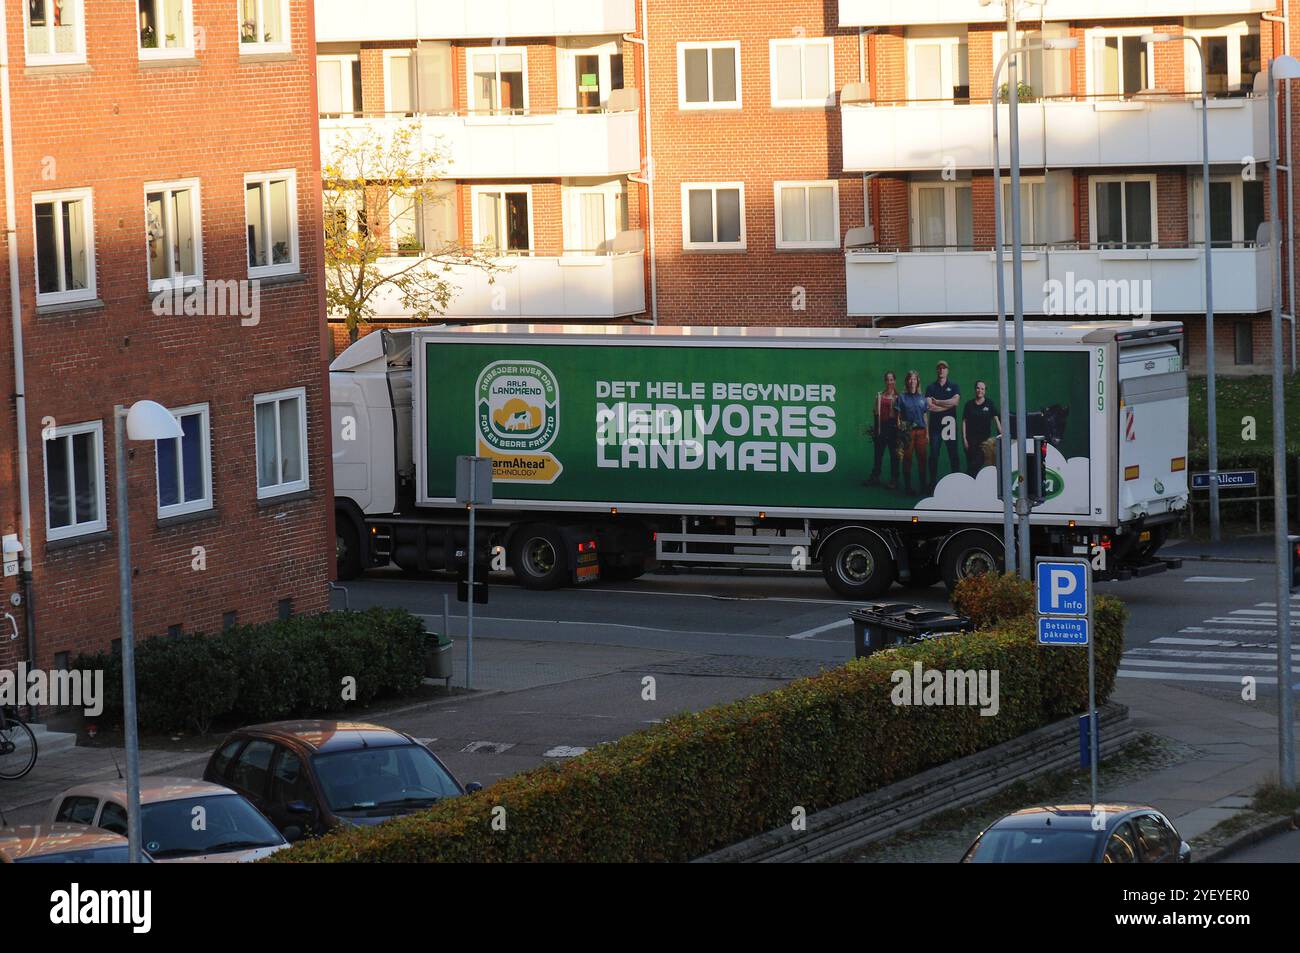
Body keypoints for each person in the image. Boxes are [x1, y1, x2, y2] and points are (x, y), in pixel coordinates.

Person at [925, 360, 961, 493]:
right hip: (935, 427)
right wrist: (948, 405)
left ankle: (957, 482)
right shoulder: (930, 387)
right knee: (934, 455)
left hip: (949, 426)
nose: (941, 370)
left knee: (953, 455)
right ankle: (932, 483)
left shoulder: (954, 386)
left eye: (944, 368)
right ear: (937, 371)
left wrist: (939, 402)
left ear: (947, 370)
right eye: (939, 368)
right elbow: (930, 406)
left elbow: (955, 401)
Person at [895, 370, 929, 496]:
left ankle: (923, 486)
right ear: (907, 381)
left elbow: (925, 416)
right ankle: (908, 488)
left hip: (921, 431)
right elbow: (897, 417)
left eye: (914, 379)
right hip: (907, 432)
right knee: (907, 459)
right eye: (910, 379)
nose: (912, 381)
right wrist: (900, 433)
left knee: (922, 459)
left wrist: (927, 433)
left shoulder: (922, 398)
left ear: (917, 381)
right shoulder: (901, 397)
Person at [865, 371, 900, 488]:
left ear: (894, 381)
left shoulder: (898, 397)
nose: (889, 382)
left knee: (894, 455)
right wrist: (876, 430)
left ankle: (894, 479)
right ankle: (875, 477)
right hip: (881, 426)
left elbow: (901, 415)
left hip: (893, 427)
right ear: (885, 381)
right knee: (878, 454)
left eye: (891, 379)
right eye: (887, 380)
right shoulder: (879, 395)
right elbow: (875, 412)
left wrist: (900, 430)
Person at [962, 379, 1001, 476]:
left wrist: (1002, 434)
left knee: (976, 464)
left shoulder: (989, 404)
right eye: (978, 388)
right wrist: (964, 439)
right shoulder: (969, 405)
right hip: (971, 441)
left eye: (982, 389)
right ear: (975, 389)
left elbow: (996, 420)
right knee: (971, 464)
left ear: (985, 390)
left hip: (985, 442)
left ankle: (966, 481)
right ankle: (970, 486)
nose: (980, 390)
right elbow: (964, 422)